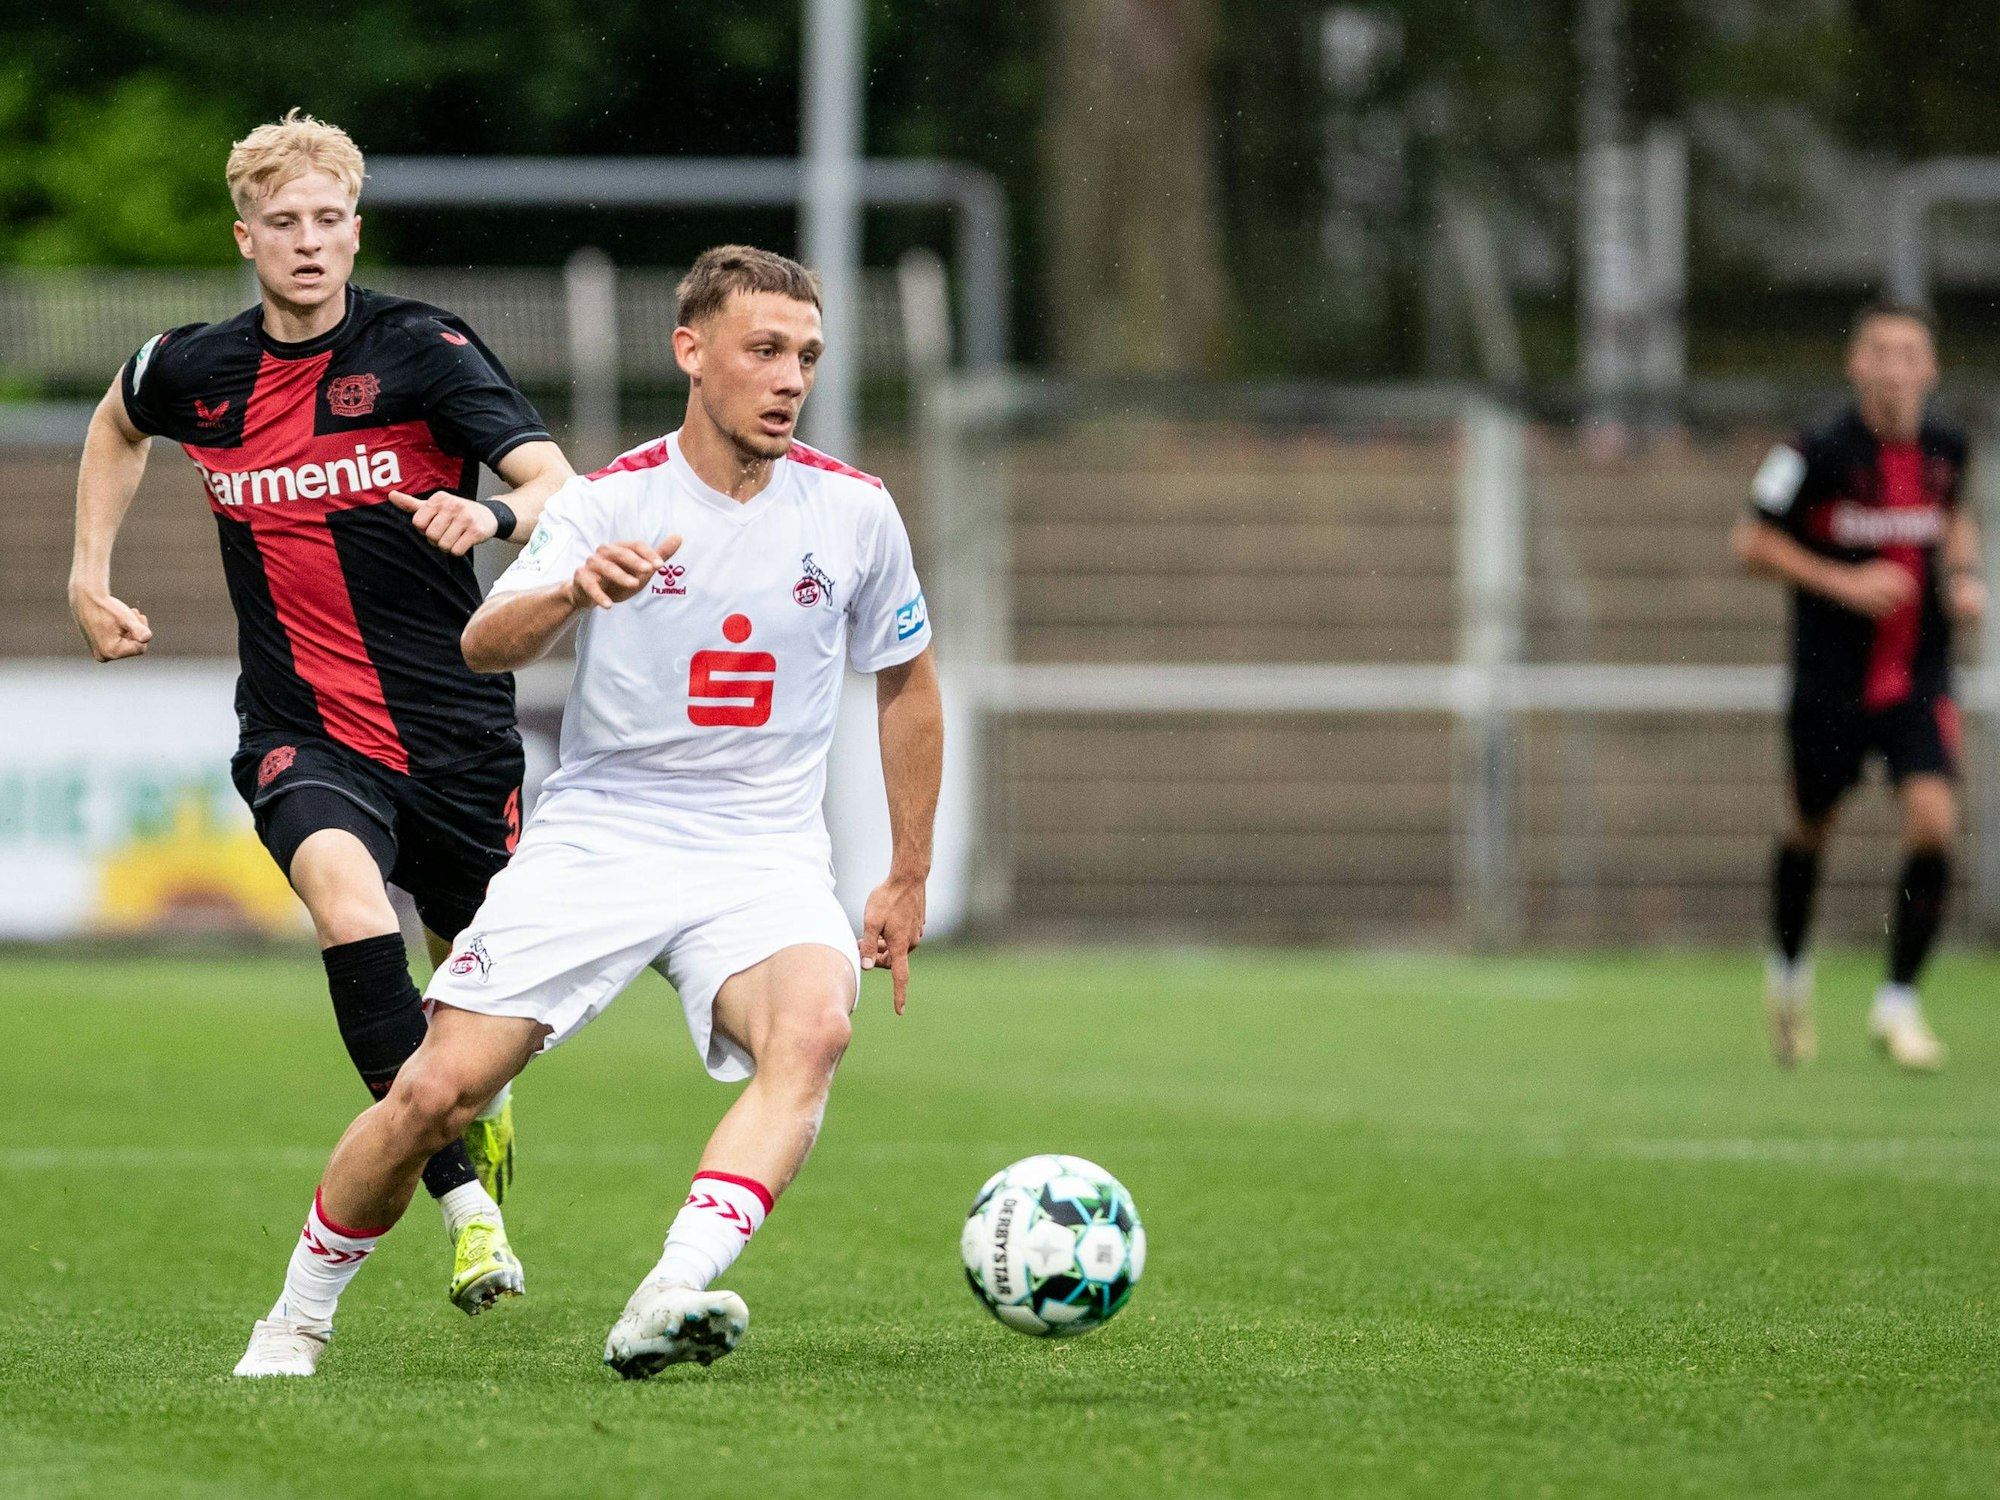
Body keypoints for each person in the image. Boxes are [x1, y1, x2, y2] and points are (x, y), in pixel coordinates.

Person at [229, 243, 944, 1379]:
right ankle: (295, 1318)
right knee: (436, 1092)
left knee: (813, 1030)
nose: (789, 379)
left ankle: (670, 1292)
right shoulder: (609, 500)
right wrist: (573, 586)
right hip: (605, 834)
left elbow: (906, 681)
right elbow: (483, 642)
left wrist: (906, 872)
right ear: (691, 352)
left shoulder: (855, 511)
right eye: (764, 350)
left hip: (760, 849)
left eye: (806, 357)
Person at [67, 111, 575, 1319]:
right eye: (283, 221)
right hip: (302, 732)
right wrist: (87, 575)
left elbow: (560, 484)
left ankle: (481, 1095)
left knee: (474, 986)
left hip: (454, 733)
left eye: (328, 220)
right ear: (245, 238)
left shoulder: (424, 351)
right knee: (350, 914)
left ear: (355, 231)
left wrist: (493, 519)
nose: (307, 241)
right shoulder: (195, 368)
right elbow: (117, 420)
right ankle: (467, 1210)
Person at [1732, 303, 1985, 1070]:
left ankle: (1898, 1004)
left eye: (1910, 353)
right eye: (1881, 351)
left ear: (1930, 369)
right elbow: (1749, 542)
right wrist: (1844, 583)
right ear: (1857, 364)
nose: (1895, 367)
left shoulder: (1947, 449)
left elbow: (1955, 516)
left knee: (1934, 823)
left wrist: (1964, 576)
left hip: (1919, 680)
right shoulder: (1811, 451)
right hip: (1831, 683)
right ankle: (1788, 978)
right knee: (1808, 828)